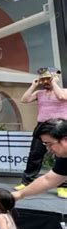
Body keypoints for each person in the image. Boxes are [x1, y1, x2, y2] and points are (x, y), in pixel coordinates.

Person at [15, 68, 67, 199]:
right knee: (35, 154)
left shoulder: (64, 91)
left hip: (60, 128)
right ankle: (27, 181)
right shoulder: (40, 93)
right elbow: (24, 99)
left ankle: (63, 187)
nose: (45, 82)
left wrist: (53, 82)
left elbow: (61, 97)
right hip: (42, 128)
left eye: (47, 79)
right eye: (44, 79)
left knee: (62, 156)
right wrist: (34, 84)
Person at [13, 118, 67, 201]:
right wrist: (19, 195)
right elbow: (48, 180)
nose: (48, 149)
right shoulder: (64, 157)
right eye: (45, 144)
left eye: (49, 144)